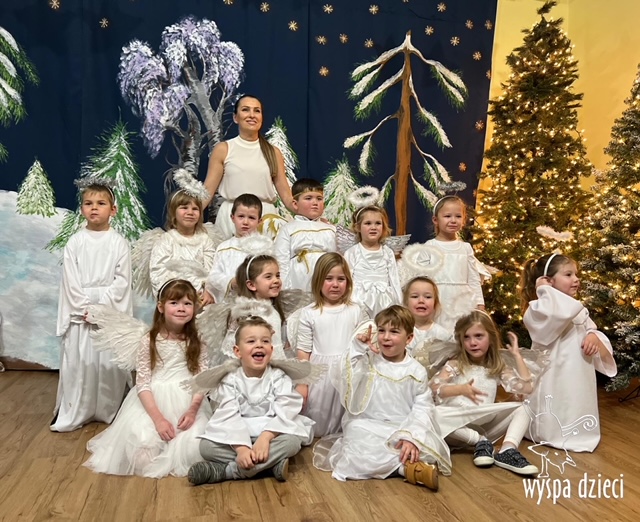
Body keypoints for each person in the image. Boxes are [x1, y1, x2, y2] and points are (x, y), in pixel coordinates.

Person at [84, 280, 212, 477]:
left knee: (195, 448)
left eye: (187, 303)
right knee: (142, 458)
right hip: (153, 400)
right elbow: (143, 383)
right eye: (174, 303)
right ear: (161, 307)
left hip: (188, 399)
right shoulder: (149, 340)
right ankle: (160, 445)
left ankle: (177, 449)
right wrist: (158, 419)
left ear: (194, 308)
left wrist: (192, 410)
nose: (181, 308)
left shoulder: (198, 340)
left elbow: (201, 379)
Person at [314, 306, 450, 490]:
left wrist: (410, 436)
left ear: (409, 338)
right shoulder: (369, 361)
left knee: (422, 446)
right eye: (381, 331)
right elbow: (345, 375)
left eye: (394, 332)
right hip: (369, 425)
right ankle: (405, 469)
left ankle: (397, 463)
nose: (386, 337)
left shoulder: (416, 371)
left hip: (401, 427)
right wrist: (357, 347)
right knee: (355, 433)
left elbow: (423, 407)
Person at [188, 316, 314, 485]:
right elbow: (228, 416)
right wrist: (241, 449)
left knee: (291, 443)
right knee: (206, 447)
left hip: (272, 433)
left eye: (265, 341)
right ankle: (269, 466)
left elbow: (286, 410)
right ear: (237, 351)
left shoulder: (278, 376)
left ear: (271, 349)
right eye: (251, 341)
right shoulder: (230, 380)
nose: (259, 345)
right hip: (239, 432)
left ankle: (229, 471)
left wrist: (265, 438)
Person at [51, 182, 131, 432]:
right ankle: (79, 408)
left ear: (113, 209)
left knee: (107, 364)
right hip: (81, 313)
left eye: (101, 203)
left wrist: (101, 308)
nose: (94, 208)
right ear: (82, 209)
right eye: (88, 203)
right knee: (81, 363)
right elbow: (70, 281)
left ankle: (108, 409)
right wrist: (84, 307)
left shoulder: (119, 243)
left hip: (107, 313)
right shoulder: (75, 242)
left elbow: (122, 281)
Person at [517, 253, 617, 452]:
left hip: (578, 368)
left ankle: (578, 431)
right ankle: (550, 431)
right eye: (568, 274)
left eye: (576, 274)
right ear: (548, 280)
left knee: (575, 397)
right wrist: (544, 291)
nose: (576, 279)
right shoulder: (538, 308)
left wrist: (593, 336)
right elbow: (555, 317)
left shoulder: (577, 307)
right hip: (554, 369)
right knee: (557, 398)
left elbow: (590, 327)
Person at [429, 311, 539, 475]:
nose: (473, 343)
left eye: (479, 336)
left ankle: (508, 449)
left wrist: (517, 356)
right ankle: (480, 442)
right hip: (455, 427)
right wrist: (460, 389)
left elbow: (526, 389)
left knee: (524, 407)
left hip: (485, 424)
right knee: (432, 413)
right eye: (467, 337)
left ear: (491, 338)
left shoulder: (497, 367)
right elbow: (433, 388)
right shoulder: (456, 364)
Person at [294, 253, 368, 436]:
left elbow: (364, 338)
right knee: (318, 423)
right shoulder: (309, 313)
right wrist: (303, 383)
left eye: (341, 279)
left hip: (348, 372)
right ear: (318, 281)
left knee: (348, 422)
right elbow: (303, 352)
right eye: (329, 279)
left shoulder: (355, 310)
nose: (335, 284)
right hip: (321, 374)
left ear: (348, 282)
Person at [203, 95, 295, 238]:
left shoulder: (273, 152)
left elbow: (287, 197)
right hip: (231, 218)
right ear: (235, 117)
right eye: (245, 110)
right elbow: (207, 191)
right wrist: (186, 217)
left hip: (264, 218)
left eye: (257, 111)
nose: (252, 115)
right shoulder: (224, 149)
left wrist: (312, 217)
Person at [417, 195, 484, 331]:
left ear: (463, 220)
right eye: (447, 216)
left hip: (463, 302)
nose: (453, 220)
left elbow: (473, 279)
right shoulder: (429, 247)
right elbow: (421, 279)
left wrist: (479, 303)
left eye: (458, 216)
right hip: (438, 302)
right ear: (436, 220)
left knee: (461, 334)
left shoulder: (466, 248)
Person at [148, 190, 217, 305]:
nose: (190, 212)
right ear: (173, 212)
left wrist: (206, 291)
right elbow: (158, 272)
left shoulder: (206, 241)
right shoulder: (166, 240)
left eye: (195, 209)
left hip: (199, 300)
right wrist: (179, 294)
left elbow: (211, 271)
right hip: (174, 299)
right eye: (184, 208)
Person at [274, 178, 336, 291]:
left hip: (327, 277)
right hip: (297, 280)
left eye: (319, 198)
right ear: (295, 204)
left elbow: (339, 259)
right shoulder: (288, 229)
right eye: (308, 198)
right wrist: (284, 290)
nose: (315, 203)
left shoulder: (331, 229)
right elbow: (281, 261)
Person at [343, 205, 402, 317]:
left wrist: (399, 303)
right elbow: (347, 279)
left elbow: (394, 279)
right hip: (359, 300)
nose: (373, 227)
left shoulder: (387, 252)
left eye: (378, 223)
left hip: (385, 301)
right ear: (358, 227)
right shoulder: (352, 252)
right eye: (368, 223)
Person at [206, 193, 265, 303]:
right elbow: (214, 276)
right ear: (232, 217)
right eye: (241, 216)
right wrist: (231, 282)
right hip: (227, 303)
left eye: (251, 218)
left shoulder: (265, 248)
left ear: (259, 221)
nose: (245, 222)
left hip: (256, 302)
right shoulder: (224, 248)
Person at [403, 276, 453, 353]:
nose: (421, 300)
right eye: (415, 296)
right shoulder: (399, 331)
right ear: (406, 302)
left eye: (427, 297)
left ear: (435, 303)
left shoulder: (442, 334)